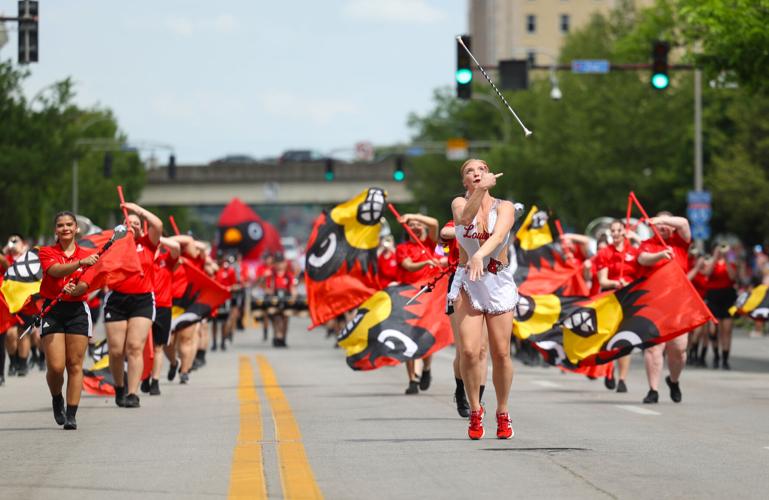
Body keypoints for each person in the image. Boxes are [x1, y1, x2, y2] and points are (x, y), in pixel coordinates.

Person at [448, 158, 517, 439]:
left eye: (481, 169)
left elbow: (500, 234)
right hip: (468, 281)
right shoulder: (459, 203)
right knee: (469, 351)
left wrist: (480, 254)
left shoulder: (506, 206)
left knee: (500, 352)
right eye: (469, 172)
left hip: (497, 280)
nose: (476, 173)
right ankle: (475, 410)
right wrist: (479, 191)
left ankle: (503, 412)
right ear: (465, 181)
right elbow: (465, 221)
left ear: (490, 174)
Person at [37, 211, 100, 429]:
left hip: (77, 311)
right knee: (55, 367)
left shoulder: (89, 254)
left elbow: (86, 283)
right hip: (53, 310)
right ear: (55, 230)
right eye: (61, 225)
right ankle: (57, 398)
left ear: (76, 228)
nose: (65, 229)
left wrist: (75, 290)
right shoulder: (47, 252)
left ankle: (71, 415)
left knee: (75, 365)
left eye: (69, 225)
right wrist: (79, 263)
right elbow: (54, 271)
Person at [104, 202, 162, 408]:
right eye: (129, 222)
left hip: (142, 300)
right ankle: (119, 387)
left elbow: (158, 224)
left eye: (137, 223)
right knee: (116, 350)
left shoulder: (148, 243)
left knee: (135, 347)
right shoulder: (114, 244)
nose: (133, 225)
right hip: (117, 300)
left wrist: (136, 209)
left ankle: (132, 393)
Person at [636, 212, 691, 404]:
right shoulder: (647, 244)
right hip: (654, 304)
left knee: (679, 350)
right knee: (653, 348)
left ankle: (673, 380)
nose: (663, 228)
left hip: (679, 304)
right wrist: (660, 254)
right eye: (659, 225)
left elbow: (683, 222)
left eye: (666, 224)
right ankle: (653, 389)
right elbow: (642, 259)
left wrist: (661, 219)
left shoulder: (680, 241)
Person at [440, 220, 488, 417]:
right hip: (460, 282)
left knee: (482, 350)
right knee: (465, 349)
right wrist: (472, 230)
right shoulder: (457, 220)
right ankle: (461, 393)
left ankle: (478, 398)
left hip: (486, 281)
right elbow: (445, 232)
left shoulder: (491, 219)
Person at [395, 212, 445, 395]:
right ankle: (412, 379)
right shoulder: (403, 248)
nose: (416, 227)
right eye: (411, 225)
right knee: (408, 337)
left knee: (425, 337)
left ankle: (426, 368)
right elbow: (407, 265)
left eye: (418, 224)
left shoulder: (431, 244)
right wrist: (426, 261)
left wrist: (412, 216)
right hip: (408, 295)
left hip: (429, 296)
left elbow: (434, 222)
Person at [595, 220, 640, 393]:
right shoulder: (604, 253)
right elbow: (602, 280)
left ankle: (622, 379)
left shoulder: (633, 252)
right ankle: (609, 369)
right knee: (609, 338)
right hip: (610, 298)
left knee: (625, 339)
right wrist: (616, 282)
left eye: (618, 230)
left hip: (628, 299)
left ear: (624, 231)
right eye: (612, 231)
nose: (615, 233)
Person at [140, 237, 181, 396]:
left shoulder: (166, 260)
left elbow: (176, 247)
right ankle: (145, 376)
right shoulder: (143, 258)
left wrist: (160, 239)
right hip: (145, 305)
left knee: (158, 346)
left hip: (163, 306)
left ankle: (155, 381)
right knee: (144, 345)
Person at [703, 243, 738, 370]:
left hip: (727, 297)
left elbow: (733, 276)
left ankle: (725, 359)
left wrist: (727, 259)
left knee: (726, 330)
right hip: (713, 297)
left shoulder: (731, 263)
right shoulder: (710, 263)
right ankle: (716, 354)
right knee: (713, 330)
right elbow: (707, 273)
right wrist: (715, 257)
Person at [264, 252, 296, 347]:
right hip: (274, 300)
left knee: (285, 319)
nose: (279, 265)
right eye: (277, 263)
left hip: (286, 300)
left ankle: (283, 338)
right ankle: (277, 336)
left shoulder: (288, 275)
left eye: (281, 262)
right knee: (276, 318)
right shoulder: (271, 275)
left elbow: (292, 288)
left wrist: (294, 296)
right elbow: (267, 287)